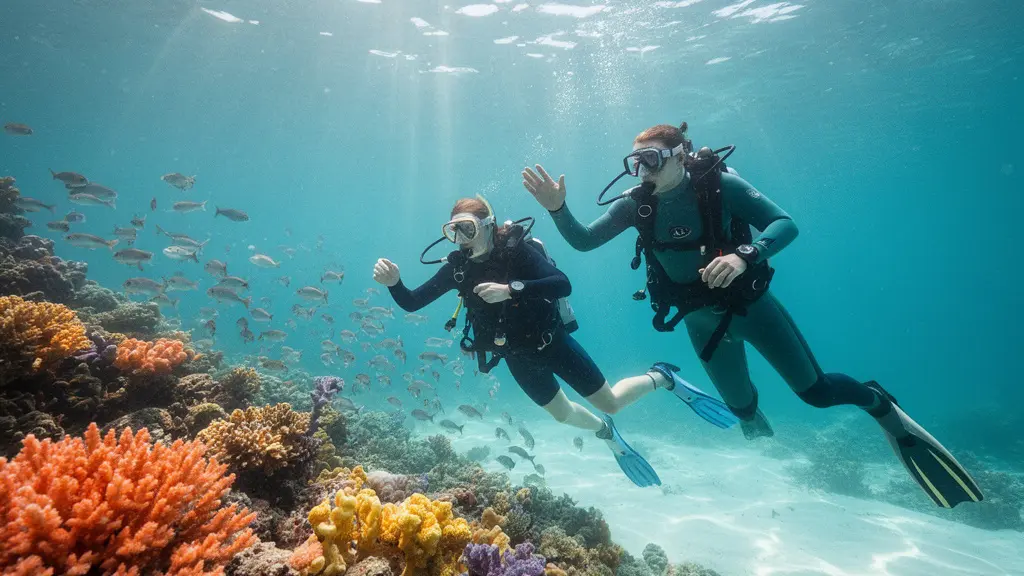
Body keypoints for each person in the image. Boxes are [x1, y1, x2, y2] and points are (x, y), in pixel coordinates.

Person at [521, 122, 984, 509]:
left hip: (752, 309)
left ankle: (879, 403)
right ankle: (754, 425)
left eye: (652, 159)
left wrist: (746, 254)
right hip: (701, 322)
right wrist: (558, 210)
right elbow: (583, 241)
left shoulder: (721, 187)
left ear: (681, 155)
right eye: (635, 161)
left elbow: (786, 224)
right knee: (744, 412)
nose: (642, 170)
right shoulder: (635, 204)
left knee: (817, 394)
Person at [373, 196, 739, 487]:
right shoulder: (458, 267)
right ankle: (604, 433)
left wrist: (511, 289)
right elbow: (412, 302)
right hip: (514, 356)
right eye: (453, 231)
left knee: (610, 402)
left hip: (551, 342)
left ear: (488, 225)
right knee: (563, 415)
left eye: (467, 228)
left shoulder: (517, 252)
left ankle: (661, 377)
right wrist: (395, 284)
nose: (461, 239)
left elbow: (561, 284)